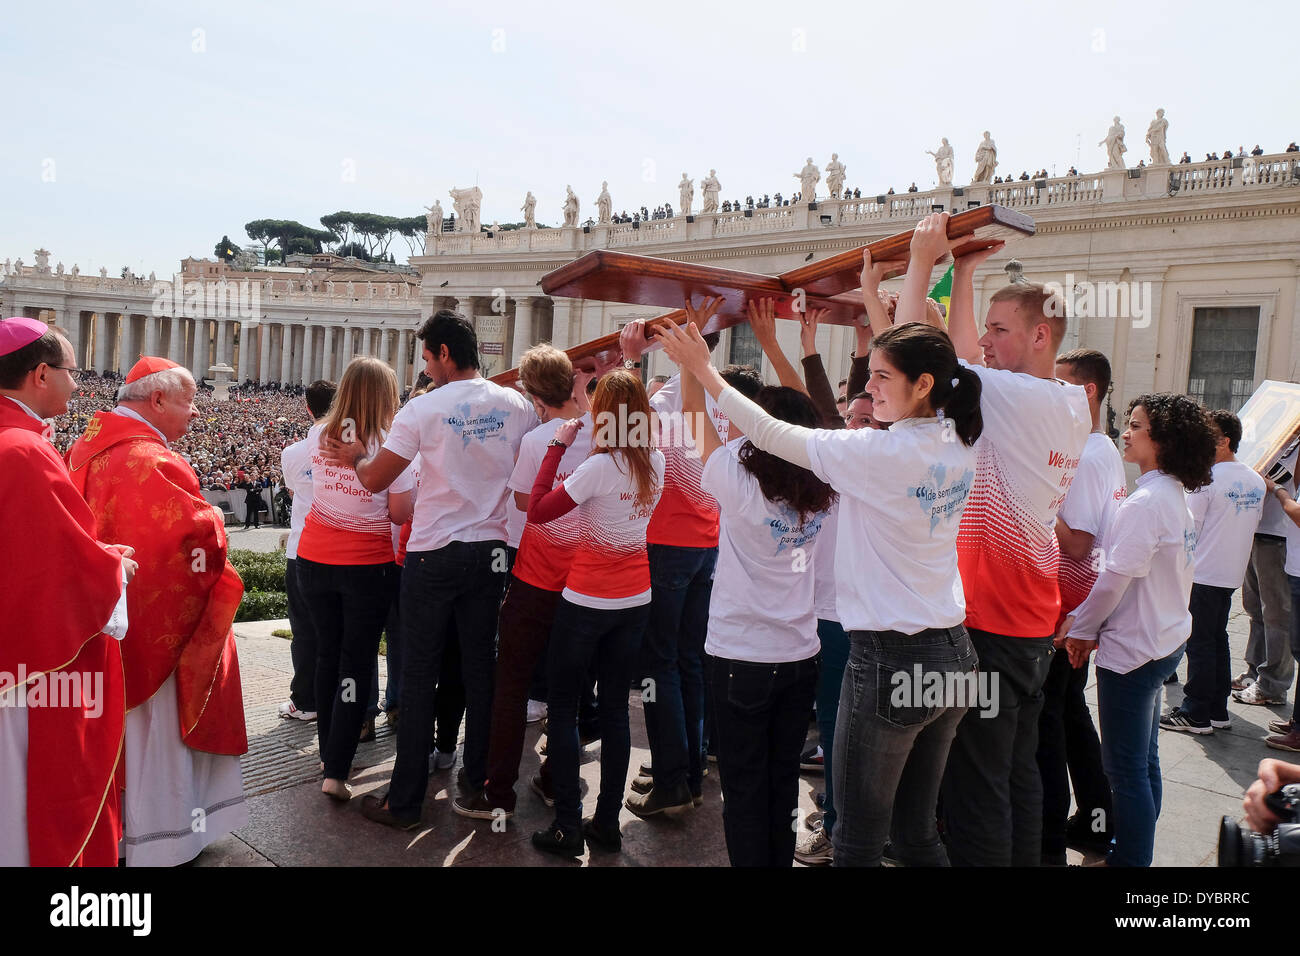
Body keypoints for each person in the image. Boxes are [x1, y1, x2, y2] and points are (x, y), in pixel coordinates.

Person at [661, 309, 985, 868]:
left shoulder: (875, 455)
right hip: (953, 652)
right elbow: (799, 423)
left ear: (923, 384)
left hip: (888, 657)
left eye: (881, 376)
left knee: (856, 838)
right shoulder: (957, 437)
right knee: (914, 834)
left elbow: (768, 431)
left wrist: (701, 370)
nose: (866, 386)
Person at [896, 212, 1092, 867]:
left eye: (1002, 331)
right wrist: (968, 272)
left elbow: (941, 363)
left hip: (991, 626)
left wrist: (930, 263)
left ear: (1041, 335)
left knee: (975, 785)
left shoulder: (1020, 400)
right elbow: (968, 357)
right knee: (1017, 772)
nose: (989, 340)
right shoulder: (1068, 403)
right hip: (1030, 623)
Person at [324, 310, 536, 830]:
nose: (427, 367)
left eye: (427, 357)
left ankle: (406, 799)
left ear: (444, 353)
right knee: (481, 669)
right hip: (491, 551)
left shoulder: (422, 410)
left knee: (418, 673)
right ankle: (481, 782)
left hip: (434, 550)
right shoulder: (518, 405)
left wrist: (355, 456)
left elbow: (376, 481)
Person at [658, 302, 836, 867]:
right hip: (800, 654)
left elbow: (692, 419)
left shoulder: (739, 482)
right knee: (780, 787)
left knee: (744, 791)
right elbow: (807, 422)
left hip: (740, 657)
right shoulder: (826, 483)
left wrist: (693, 360)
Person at [67, 356, 249, 866]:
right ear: (159, 399)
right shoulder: (150, 459)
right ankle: (165, 837)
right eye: (189, 401)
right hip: (153, 626)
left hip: (107, 622)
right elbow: (189, 538)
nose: (196, 412)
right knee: (157, 731)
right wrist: (215, 520)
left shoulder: (87, 444)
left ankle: (122, 837)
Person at [1061, 394, 1215, 866]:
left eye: (1136, 426)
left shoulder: (1147, 501)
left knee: (1125, 771)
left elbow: (1112, 584)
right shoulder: (1169, 494)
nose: (1126, 433)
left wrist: (1079, 628)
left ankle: (1130, 861)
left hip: (1135, 651)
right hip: (1162, 641)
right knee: (1142, 764)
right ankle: (1130, 851)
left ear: (1163, 439)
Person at [0, 317, 132, 867]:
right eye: (72, 371)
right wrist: (113, 567)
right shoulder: (24, 452)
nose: (79, 384)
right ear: (39, 374)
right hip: (23, 670)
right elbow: (53, 564)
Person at [526, 369, 665, 855]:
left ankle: (567, 823)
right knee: (614, 713)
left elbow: (538, 510)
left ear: (605, 417)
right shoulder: (657, 461)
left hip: (586, 599)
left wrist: (558, 446)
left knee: (563, 711)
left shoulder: (597, 467)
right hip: (635, 599)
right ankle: (607, 822)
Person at [454, 344, 595, 822]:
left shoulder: (539, 441)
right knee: (568, 688)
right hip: (587, 580)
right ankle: (559, 781)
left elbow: (520, 502)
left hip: (537, 576)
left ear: (535, 396)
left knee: (511, 684)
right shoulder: (604, 433)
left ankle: (497, 792)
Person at [619, 318, 729, 818]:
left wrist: (628, 360)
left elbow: (615, 434)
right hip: (706, 545)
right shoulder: (723, 400)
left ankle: (671, 782)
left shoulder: (665, 403)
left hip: (665, 545)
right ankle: (688, 773)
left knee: (659, 664)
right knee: (689, 660)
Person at [295, 357, 413, 801]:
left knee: (328, 655)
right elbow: (400, 512)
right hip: (366, 565)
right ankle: (337, 768)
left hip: (314, 559)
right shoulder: (390, 442)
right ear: (386, 395)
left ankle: (330, 753)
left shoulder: (318, 433)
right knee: (356, 662)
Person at [1037, 349, 1125, 864]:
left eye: (1060, 383)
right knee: (1069, 717)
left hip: (1066, 610)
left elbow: (1076, 544)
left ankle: (1049, 838)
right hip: (1074, 608)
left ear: (1086, 391)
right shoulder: (1096, 448)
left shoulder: (1089, 454)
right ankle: (1094, 823)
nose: (1051, 392)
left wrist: (1038, 502)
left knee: (1050, 725)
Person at [1162, 410, 1264, 734]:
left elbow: (1188, 530)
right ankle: (1218, 709)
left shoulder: (1207, 480)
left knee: (1201, 643)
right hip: (1230, 572)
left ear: (1225, 441)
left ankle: (1195, 712)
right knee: (1216, 640)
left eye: (1209, 435)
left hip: (1203, 573)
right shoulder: (1255, 480)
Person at [278, 378, 337, 723]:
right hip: (344, 551)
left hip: (302, 549)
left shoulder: (293, 453)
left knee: (305, 631)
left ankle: (306, 701)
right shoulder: (358, 446)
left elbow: (291, 490)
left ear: (307, 407)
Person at [1235, 443, 1297, 708]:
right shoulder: (1279, 440)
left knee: (1276, 614)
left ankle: (1274, 684)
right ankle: (1254, 670)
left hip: (1278, 535)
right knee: (1255, 609)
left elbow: (1277, 480)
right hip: (1257, 528)